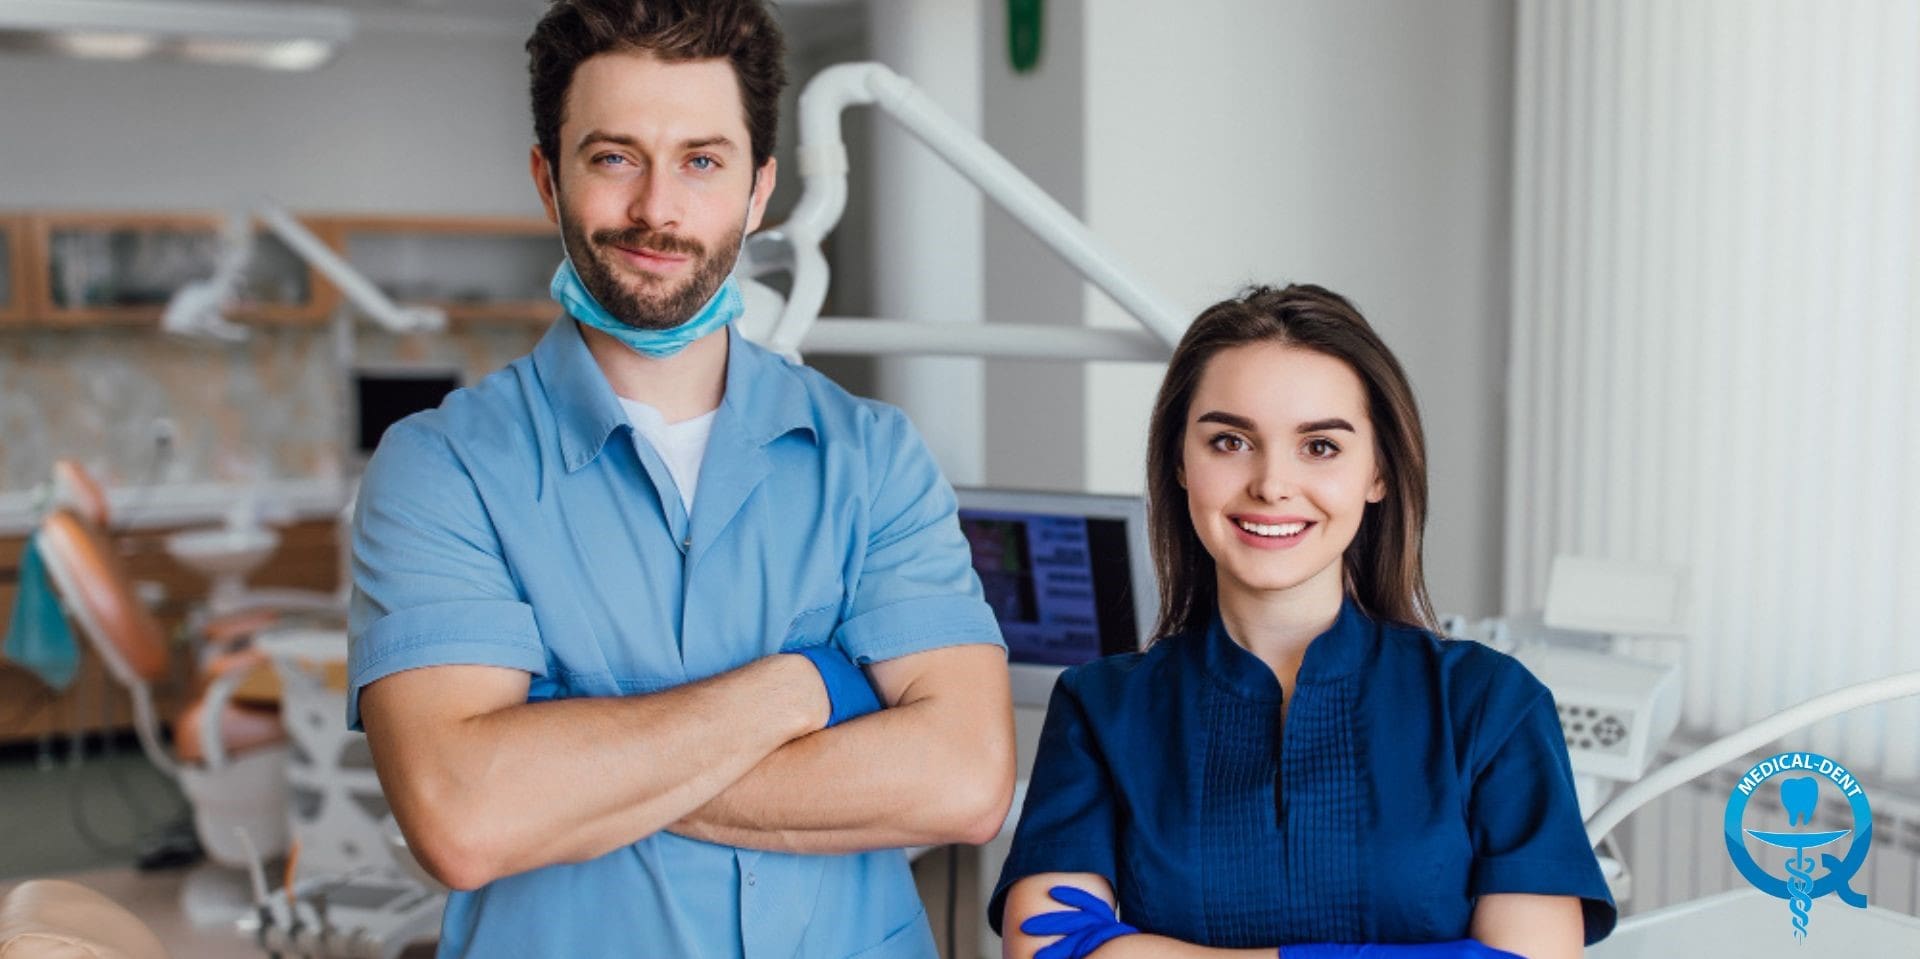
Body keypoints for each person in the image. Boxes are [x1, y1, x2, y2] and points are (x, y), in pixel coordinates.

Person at [347, 1, 1015, 955]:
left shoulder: (873, 457)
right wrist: (807, 690)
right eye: (614, 157)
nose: (658, 210)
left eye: (702, 161)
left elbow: (965, 777)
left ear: (758, 191)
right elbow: (467, 817)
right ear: (548, 178)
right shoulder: (441, 468)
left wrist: (576, 769)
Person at [990, 285, 1614, 959]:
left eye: (1320, 446)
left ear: (1378, 471)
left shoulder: (1491, 704)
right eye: (1230, 441)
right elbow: (1050, 948)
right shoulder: (1101, 707)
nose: (1271, 483)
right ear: (1179, 462)